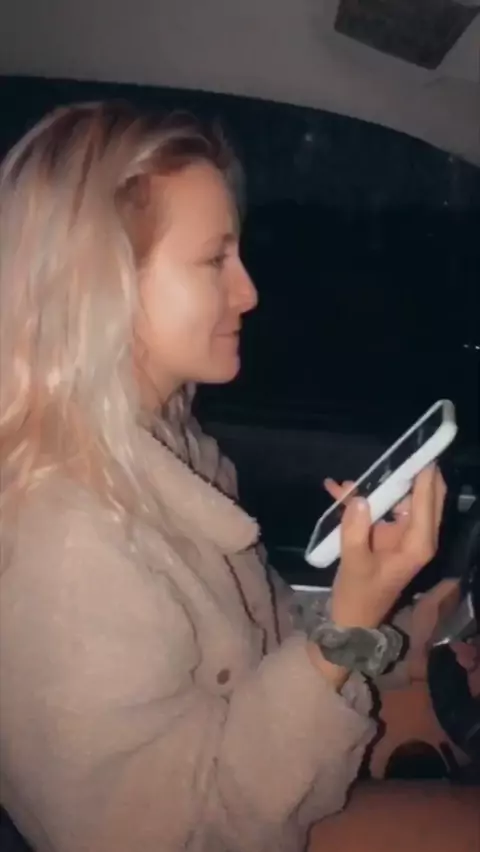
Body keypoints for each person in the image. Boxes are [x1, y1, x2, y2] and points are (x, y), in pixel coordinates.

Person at [0, 102, 446, 852]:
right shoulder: (65, 545)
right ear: (102, 283)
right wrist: (350, 628)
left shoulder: (166, 445)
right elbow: (180, 832)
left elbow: (259, 636)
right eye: (215, 261)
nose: (248, 293)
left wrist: (398, 630)